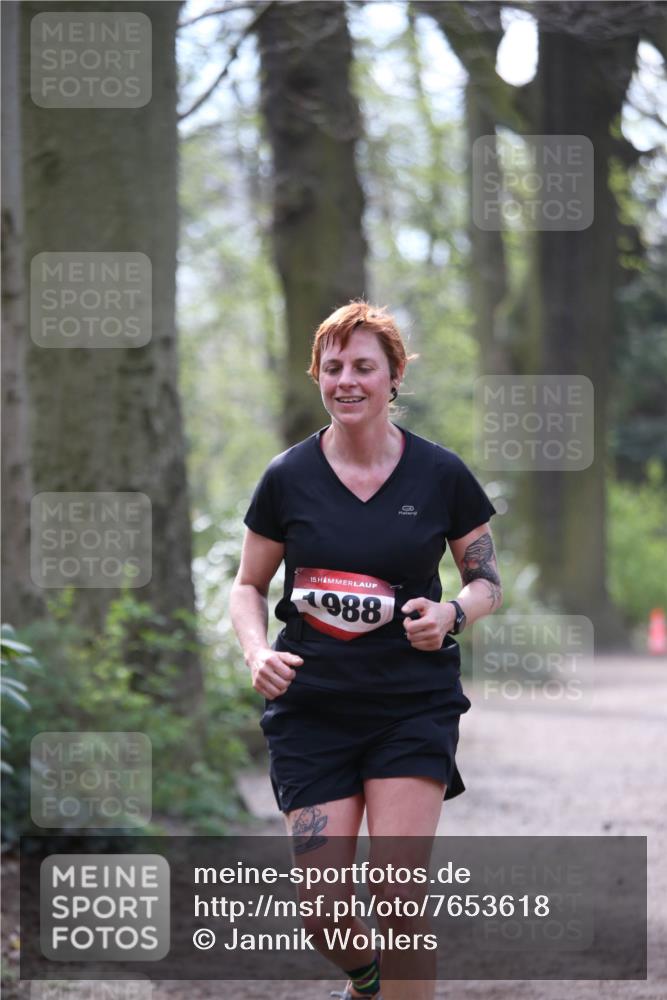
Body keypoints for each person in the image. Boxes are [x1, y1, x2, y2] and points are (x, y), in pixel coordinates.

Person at [230, 301, 503, 1000]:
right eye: (332, 368)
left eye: (362, 366)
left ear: (394, 376)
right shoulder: (287, 477)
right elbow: (247, 586)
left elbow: (486, 582)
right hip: (311, 710)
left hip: (410, 705)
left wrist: (450, 613)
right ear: (317, 377)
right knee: (321, 910)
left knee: (398, 893)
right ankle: (369, 982)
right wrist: (256, 652)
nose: (346, 380)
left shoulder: (440, 474)